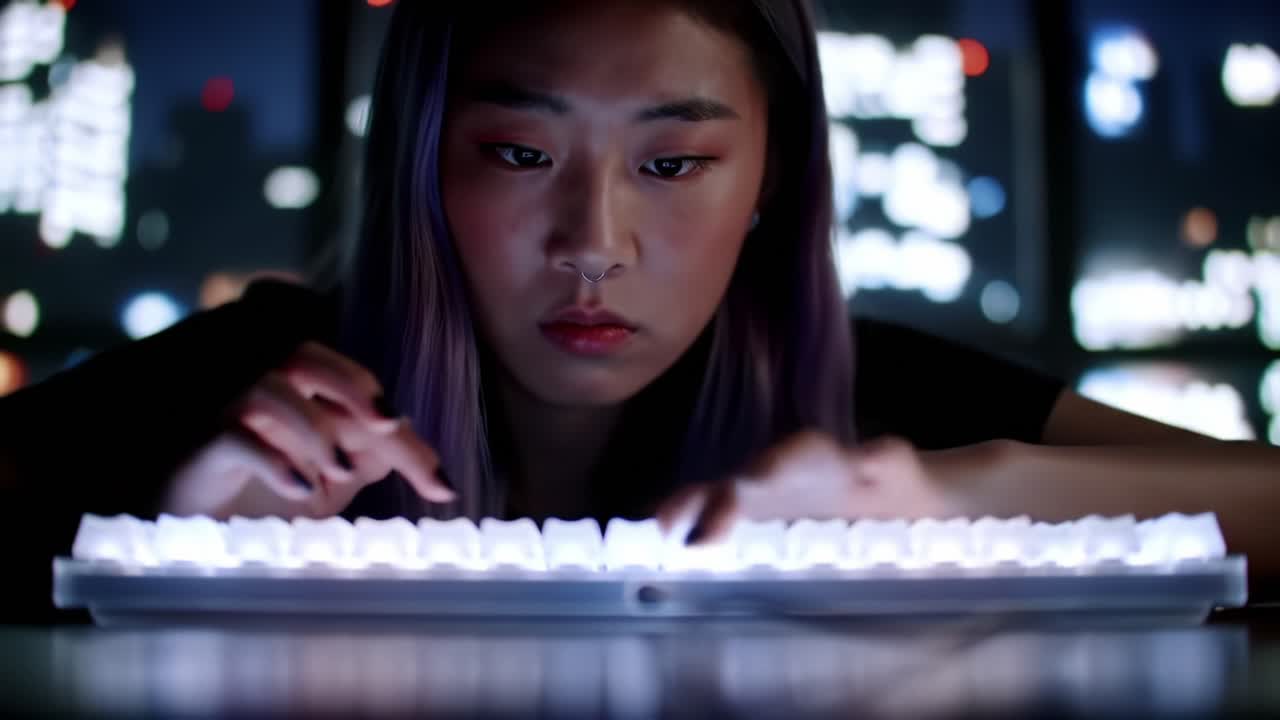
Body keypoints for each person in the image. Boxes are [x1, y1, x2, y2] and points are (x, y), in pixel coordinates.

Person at [0, 0, 1276, 622]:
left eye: (671, 165)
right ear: (422, 163)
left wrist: (954, 499)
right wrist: (162, 562)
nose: (590, 247)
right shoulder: (259, 387)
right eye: (513, 155)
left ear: (770, 177)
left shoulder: (856, 402)